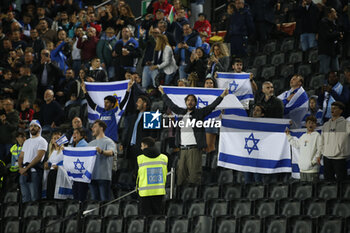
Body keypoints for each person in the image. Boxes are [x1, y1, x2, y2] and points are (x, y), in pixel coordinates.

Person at [159, 86, 229, 185]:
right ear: (185, 102)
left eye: (192, 100)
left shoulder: (199, 113)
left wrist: (222, 95)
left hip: (194, 150)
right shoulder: (181, 113)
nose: (190, 102)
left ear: (195, 103)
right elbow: (170, 104)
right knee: (180, 178)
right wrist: (162, 93)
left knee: (194, 177)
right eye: (188, 100)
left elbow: (212, 106)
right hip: (182, 150)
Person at [18, 120, 48, 202]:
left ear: (39, 128)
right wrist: (20, 168)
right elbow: (21, 156)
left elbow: (38, 157)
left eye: (35, 126)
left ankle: (35, 214)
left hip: (34, 172)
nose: (32, 128)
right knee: (25, 197)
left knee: (34, 197)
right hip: (24, 172)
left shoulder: (42, 141)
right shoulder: (26, 142)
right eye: (31, 126)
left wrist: (26, 168)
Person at [137, 137, 168, 215]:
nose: (141, 148)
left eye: (142, 146)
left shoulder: (140, 158)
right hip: (159, 192)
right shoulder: (164, 158)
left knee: (145, 220)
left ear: (146, 146)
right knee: (157, 218)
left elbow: (137, 175)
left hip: (144, 193)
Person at [320, 101, 350, 182]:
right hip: (327, 157)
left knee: (342, 182)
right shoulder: (325, 125)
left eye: (335, 108)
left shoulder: (346, 124)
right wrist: (323, 152)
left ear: (340, 111)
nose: (332, 110)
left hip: (340, 157)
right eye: (331, 108)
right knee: (328, 182)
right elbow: (321, 141)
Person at [286, 116, 322, 182]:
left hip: (312, 170)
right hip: (302, 169)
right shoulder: (303, 136)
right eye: (309, 123)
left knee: (312, 190)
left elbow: (320, 150)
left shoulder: (317, 135)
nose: (311, 124)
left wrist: (313, 162)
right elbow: (296, 144)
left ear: (315, 125)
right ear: (306, 124)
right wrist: (288, 135)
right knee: (304, 190)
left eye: (313, 123)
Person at [88, 120, 116, 201]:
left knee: (105, 201)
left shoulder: (109, 141)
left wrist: (102, 151)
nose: (92, 128)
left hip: (104, 177)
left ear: (101, 128)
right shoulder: (90, 143)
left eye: (95, 126)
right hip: (92, 177)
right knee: (94, 202)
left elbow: (111, 152)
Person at [244, 104, 265, 184]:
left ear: (262, 114)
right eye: (254, 110)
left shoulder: (266, 126)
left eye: (258, 110)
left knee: (258, 181)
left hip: (259, 157)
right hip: (248, 156)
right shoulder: (246, 123)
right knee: (247, 181)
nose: (255, 112)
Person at [318, 7, 343, 74]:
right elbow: (327, 36)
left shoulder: (335, 24)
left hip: (334, 52)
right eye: (334, 12)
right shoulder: (323, 23)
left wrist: (339, 36)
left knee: (336, 72)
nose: (336, 13)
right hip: (325, 52)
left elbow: (335, 36)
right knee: (326, 73)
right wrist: (338, 34)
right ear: (329, 14)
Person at [43, 132, 65, 199]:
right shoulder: (51, 152)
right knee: (50, 194)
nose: (56, 140)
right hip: (51, 174)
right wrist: (46, 165)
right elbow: (50, 163)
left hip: (60, 175)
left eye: (58, 138)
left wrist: (59, 167)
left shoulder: (65, 150)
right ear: (52, 141)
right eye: (54, 138)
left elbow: (67, 164)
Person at [70, 127, 89, 202]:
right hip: (75, 175)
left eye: (77, 133)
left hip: (82, 175)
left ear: (82, 136)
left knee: (81, 197)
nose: (74, 135)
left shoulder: (85, 145)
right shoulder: (73, 146)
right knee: (76, 196)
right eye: (73, 133)